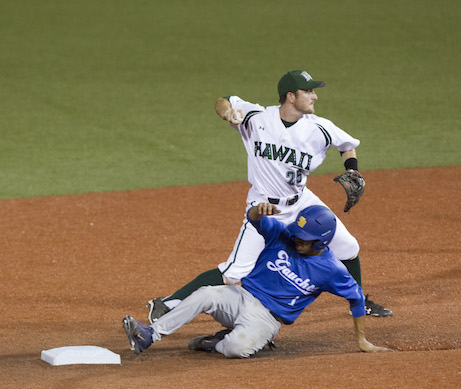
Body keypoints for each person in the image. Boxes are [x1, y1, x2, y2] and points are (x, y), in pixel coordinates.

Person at [145, 70, 392, 324]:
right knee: (233, 272)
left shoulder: (319, 128)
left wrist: (352, 169)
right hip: (263, 206)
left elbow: (347, 145)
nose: (315, 96)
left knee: (348, 247)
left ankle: (360, 302)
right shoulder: (256, 117)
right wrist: (227, 112)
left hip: (302, 202)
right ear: (291, 97)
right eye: (308, 91)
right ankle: (165, 303)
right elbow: (224, 100)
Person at [123, 203, 391, 358]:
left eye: (304, 237)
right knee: (206, 293)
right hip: (241, 297)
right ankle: (150, 334)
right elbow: (255, 221)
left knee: (236, 348)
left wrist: (362, 341)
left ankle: (217, 343)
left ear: (321, 241)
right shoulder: (283, 235)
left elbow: (356, 298)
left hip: (268, 319)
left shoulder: (331, 269)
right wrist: (257, 210)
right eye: (297, 233)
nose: (297, 238)